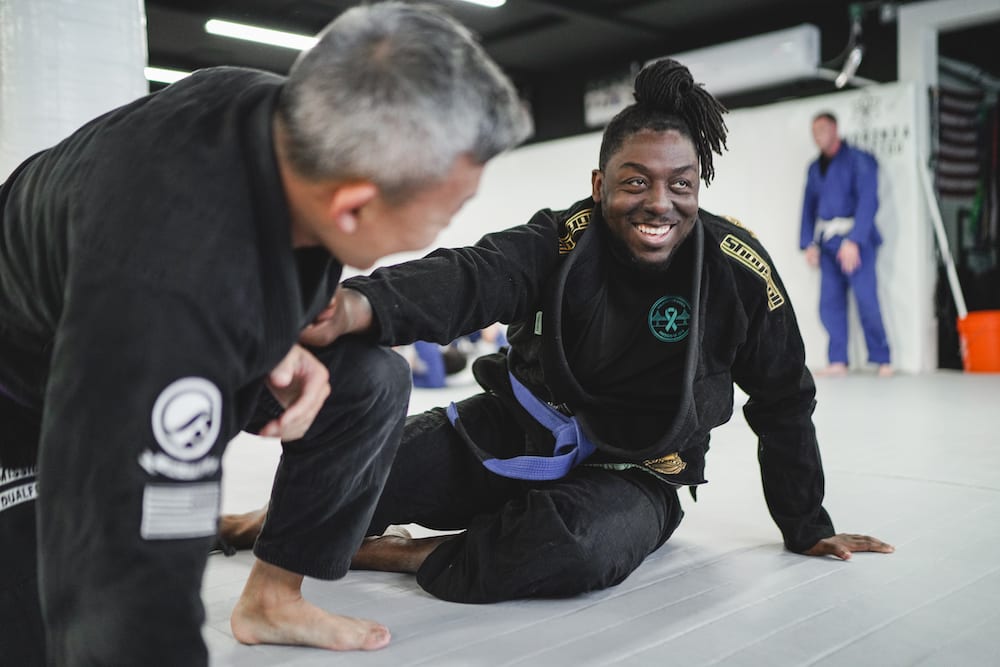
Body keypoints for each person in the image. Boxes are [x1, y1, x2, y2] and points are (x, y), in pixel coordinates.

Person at [222, 59, 893, 606]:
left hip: (635, 477)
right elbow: (470, 275)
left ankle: (390, 549)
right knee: (364, 462)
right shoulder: (560, 239)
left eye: (680, 184)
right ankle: (272, 519)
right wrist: (358, 304)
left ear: (698, 186)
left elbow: (783, 397)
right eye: (636, 182)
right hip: (508, 430)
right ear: (601, 183)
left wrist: (806, 524)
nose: (659, 202)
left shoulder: (738, 270)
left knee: (579, 546)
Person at [0, 2, 529, 663]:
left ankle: (273, 598)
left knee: (367, 378)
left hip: (120, 314)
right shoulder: (170, 288)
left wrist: (275, 340)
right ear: (354, 206)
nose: (443, 228)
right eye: (446, 211)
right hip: (23, 392)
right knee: (54, 629)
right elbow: (135, 573)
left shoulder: (287, 125)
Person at [800, 112, 892, 377]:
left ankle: (882, 356)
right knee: (829, 303)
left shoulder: (860, 160)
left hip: (856, 240)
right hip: (828, 242)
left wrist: (854, 241)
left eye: (823, 129)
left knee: (866, 299)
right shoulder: (814, 168)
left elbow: (868, 201)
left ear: (835, 129)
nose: (818, 135)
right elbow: (808, 208)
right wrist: (809, 243)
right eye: (814, 130)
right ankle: (838, 359)